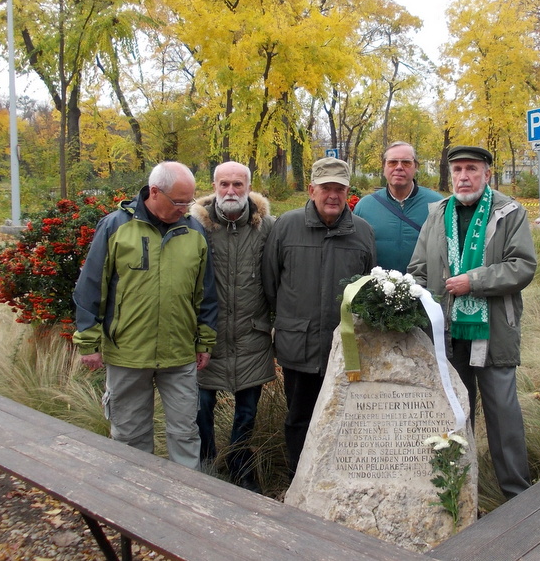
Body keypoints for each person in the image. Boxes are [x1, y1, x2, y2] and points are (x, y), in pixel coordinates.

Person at [408, 145, 536, 500]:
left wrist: (474, 281)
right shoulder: (437, 214)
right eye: (458, 170)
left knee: (503, 416)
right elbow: (418, 269)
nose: (464, 177)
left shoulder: (509, 212)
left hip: (493, 332)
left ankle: (517, 496)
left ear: (487, 174)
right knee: (455, 414)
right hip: (448, 335)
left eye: (472, 169)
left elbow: (522, 266)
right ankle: (460, 495)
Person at [73, 162, 218, 470]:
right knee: (130, 436)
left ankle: (186, 496)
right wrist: (88, 341)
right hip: (127, 352)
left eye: (188, 201)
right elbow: (91, 286)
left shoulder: (194, 231)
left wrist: (205, 341)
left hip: (179, 353)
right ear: (154, 192)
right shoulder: (115, 226)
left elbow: (205, 292)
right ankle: (133, 493)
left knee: (185, 433)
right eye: (178, 201)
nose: (184, 208)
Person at [262, 157, 376, 475]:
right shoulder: (286, 226)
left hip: (345, 349)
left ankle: (336, 480)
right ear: (312, 190)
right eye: (326, 188)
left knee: (344, 416)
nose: (333, 196)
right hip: (299, 345)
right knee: (299, 417)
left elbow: (367, 286)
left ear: (348, 192)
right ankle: (299, 480)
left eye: (339, 189)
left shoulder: (363, 232)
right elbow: (270, 283)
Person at [190, 161, 275, 491]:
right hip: (207, 338)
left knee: (247, 413)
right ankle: (207, 466)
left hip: (251, 335)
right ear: (213, 186)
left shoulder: (267, 227)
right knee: (201, 409)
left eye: (237, 184)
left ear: (248, 187)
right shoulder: (195, 227)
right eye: (224, 184)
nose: (230, 191)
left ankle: (240, 465)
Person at [353, 141, 444, 272]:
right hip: (376, 283)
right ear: (384, 166)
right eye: (392, 162)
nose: (399, 167)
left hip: (425, 283)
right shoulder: (365, 206)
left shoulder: (437, 204)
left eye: (406, 162)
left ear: (416, 166)